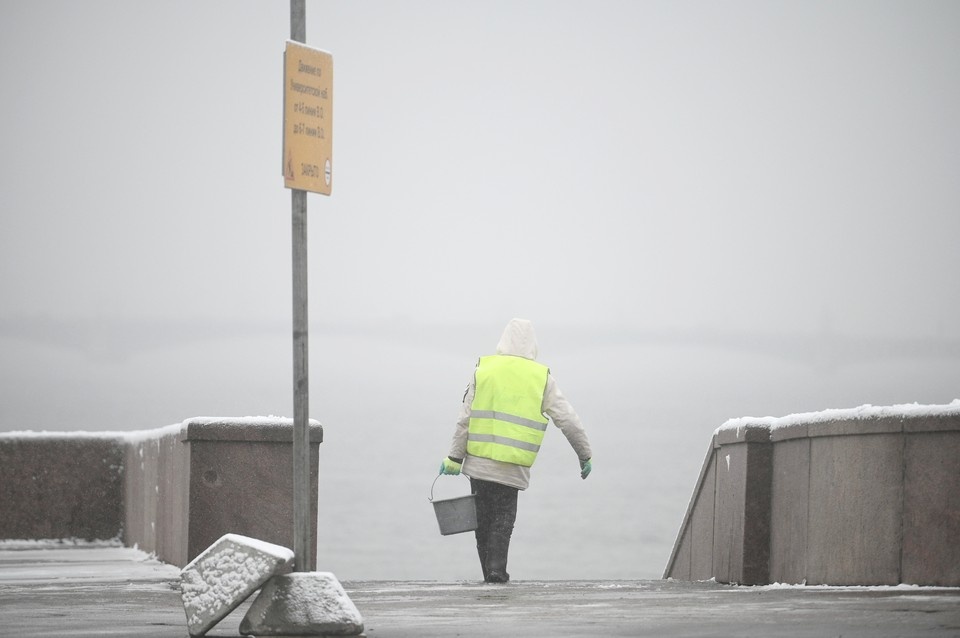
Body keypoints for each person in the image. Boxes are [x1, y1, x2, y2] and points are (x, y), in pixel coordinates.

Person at [439, 318, 593, 583]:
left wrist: (454, 457)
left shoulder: (483, 369)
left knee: (482, 521)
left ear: (503, 340)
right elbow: (568, 419)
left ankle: (489, 574)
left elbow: (464, 418)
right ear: (534, 345)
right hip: (512, 467)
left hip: (479, 465)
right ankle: (497, 572)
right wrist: (584, 454)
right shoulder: (541, 378)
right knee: (502, 520)